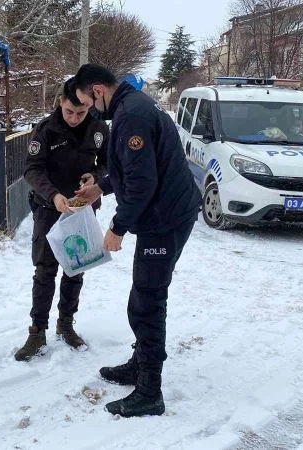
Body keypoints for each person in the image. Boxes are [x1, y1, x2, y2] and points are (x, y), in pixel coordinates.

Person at [73, 64, 202, 417]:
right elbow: (134, 167)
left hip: (165, 220)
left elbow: (143, 183)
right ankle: (139, 363)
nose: (88, 109)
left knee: (147, 300)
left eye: (86, 100)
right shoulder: (132, 106)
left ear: (98, 90)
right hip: (166, 214)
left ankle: (149, 391)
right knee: (143, 295)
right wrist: (102, 185)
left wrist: (117, 228)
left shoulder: (131, 116)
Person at [14, 77, 110, 362]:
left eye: (80, 113)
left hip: (82, 207)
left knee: (75, 267)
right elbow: (32, 169)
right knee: (44, 271)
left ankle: (66, 322)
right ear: (60, 103)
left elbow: (108, 163)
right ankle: (37, 331)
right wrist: (54, 195)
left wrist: (96, 176)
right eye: (69, 111)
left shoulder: (98, 128)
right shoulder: (45, 130)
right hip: (49, 208)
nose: (74, 118)